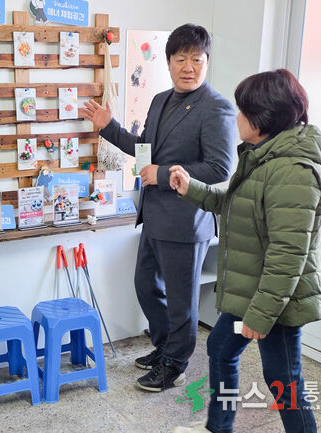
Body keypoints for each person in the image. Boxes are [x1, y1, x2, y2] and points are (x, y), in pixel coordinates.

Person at [170, 69, 321, 433]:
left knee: (283, 379)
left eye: (243, 110)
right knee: (222, 348)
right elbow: (234, 204)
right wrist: (191, 188)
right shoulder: (263, 158)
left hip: (275, 305)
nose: (237, 117)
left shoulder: (293, 172)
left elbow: (287, 256)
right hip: (252, 294)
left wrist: (260, 315)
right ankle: (218, 427)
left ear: (263, 117)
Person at [83, 24, 237, 392]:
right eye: (181, 59)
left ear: (207, 62)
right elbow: (144, 153)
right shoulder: (160, 100)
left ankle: (175, 365)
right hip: (153, 216)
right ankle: (166, 346)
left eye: (196, 59)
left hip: (186, 220)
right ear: (168, 62)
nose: (188, 67)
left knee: (182, 301)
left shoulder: (216, 107)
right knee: (145, 285)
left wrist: (164, 174)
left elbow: (220, 168)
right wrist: (109, 127)